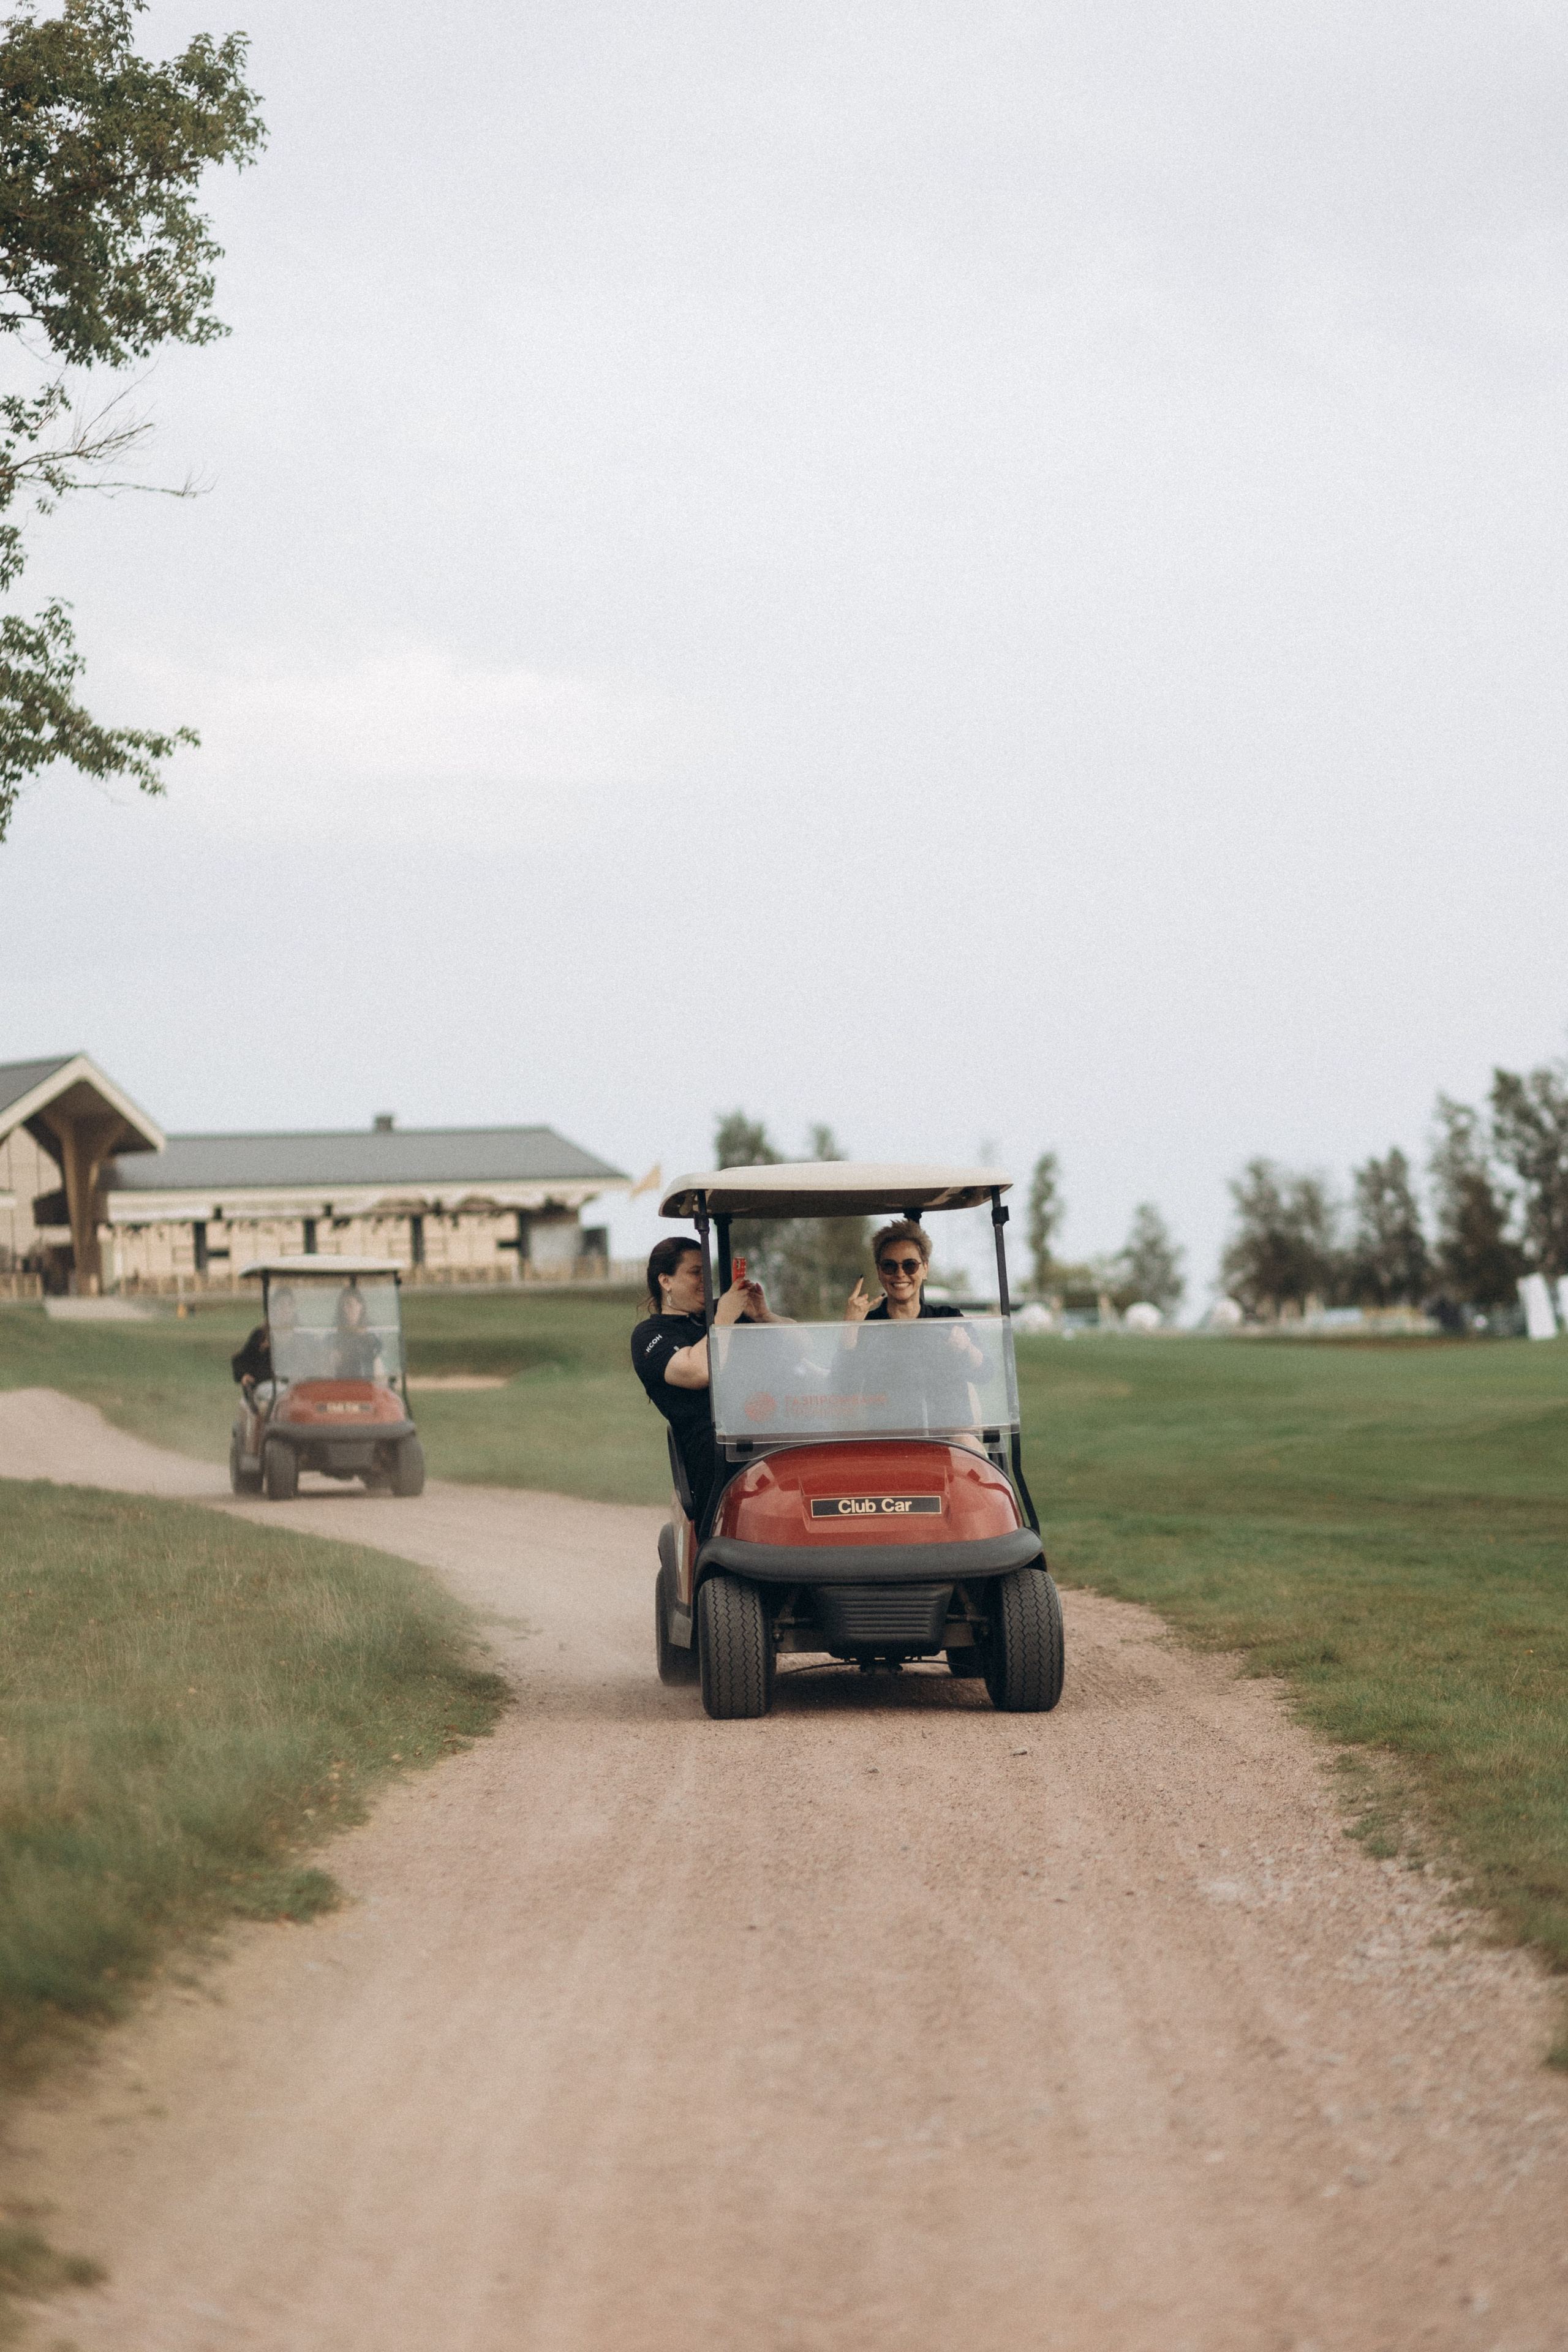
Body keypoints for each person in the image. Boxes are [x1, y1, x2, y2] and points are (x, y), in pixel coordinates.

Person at [631, 1236, 784, 1527]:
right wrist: (724, 1316)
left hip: (764, 1432)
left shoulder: (718, 1315)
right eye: (695, 1272)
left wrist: (764, 1317)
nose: (706, 1280)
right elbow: (698, 1371)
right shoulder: (650, 1335)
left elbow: (800, 1347)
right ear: (666, 1281)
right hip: (712, 1454)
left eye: (707, 1271)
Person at [844, 1221, 963, 1322]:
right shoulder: (864, 1324)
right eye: (889, 1266)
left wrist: (966, 1346)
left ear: (925, 1269)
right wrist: (850, 1328)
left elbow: (978, 1350)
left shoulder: (949, 1319)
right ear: (879, 1271)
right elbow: (846, 1349)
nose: (900, 1274)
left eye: (910, 1265)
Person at [333, 1285, 385, 1380]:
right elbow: (328, 1346)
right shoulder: (336, 1330)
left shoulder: (371, 1329)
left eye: (349, 1304)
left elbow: (377, 1347)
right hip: (342, 1380)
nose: (345, 1309)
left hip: (366, 1379)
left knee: (378, 1363)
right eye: (343, 1305)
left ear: (360, 1306)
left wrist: (363, 1336)